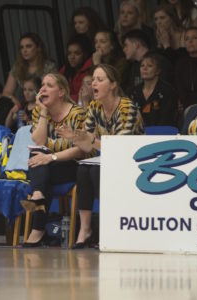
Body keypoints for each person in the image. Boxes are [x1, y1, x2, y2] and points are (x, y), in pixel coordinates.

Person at [56, 64, 144, 249]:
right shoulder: (94, 107)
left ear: (113, 85)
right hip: (108, 160)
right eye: (93, 79)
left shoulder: (127, 107)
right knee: (82, 170)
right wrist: (75, 137)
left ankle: (111, 227)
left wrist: (89, 139)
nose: (93, 83)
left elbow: (120, 147)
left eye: (100, 80)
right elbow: (88, 145)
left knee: (96, 172)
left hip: (134, 163)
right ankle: (85, 230)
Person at [20, 73, 86, 247]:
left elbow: (81, 150)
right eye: (42, 85)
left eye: (49, 85)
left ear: (61, 92)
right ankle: (38, 195)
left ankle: (37, 226)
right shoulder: (38, 112)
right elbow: (39, 142)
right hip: (48, 166)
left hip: (72, 165)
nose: (42, 89)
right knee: (37, 159)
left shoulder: (77, 114)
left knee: (40, 164)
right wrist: (43, 111)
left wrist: (51, 157)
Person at [129, 52, 179, 126]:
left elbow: (167, 119)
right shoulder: (132, 92)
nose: (144, 68)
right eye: (142, 66)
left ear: (158, 70)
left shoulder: (167, 91)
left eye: (149, 66)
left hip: (160, 134)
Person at [2, 33, 57, 99]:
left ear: (38, 48)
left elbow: (51, 90)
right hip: (23, 105)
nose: (24, 50)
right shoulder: (17, 67)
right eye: (22, 47)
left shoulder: (48, 66)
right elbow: (6, 93)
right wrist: (15, 102)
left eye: (28, 46)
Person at [59, 34, 93, 102]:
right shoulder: (64, 70)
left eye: (77, 53)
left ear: (85, 54)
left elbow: (86, 96)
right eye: (69, 53)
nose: (72, 57)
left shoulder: (90, 69)